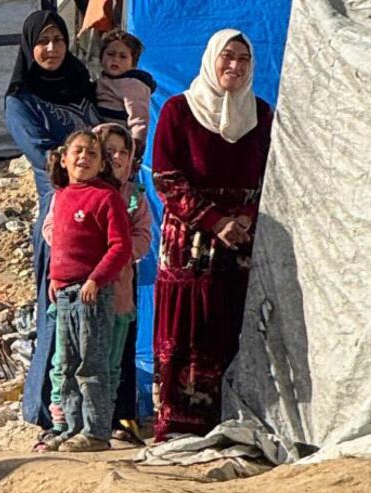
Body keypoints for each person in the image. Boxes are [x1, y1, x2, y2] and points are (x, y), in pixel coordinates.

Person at [151, 30, 273, 442]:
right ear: (210, 59)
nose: (234, 66)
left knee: (234, 327)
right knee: (188, 330)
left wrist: (243, 219)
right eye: (227, 57)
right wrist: (215, 220)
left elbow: (273, 176)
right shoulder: (178, 111)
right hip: (191, 242)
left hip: (242, 242)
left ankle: (235, 420)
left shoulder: (261, 114)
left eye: (243, 58)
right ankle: (181, 425)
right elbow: (167, 178)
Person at [5, 9, 101, 430]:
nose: (51, 49)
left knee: (97, 314)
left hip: (99, 211)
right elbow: (44, 156)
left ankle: (97, 412)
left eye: (58, 40)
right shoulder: (20, 99)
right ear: (30, 46)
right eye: (42, 42)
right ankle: (45, 410)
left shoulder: (82, 87)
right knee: (56, 311)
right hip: (59, 215)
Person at [40, 123, 151, 448]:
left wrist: (96, 278)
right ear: (63, 159)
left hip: (101, 293)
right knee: (67, 363)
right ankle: (69, 427)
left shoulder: (115, 198)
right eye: (79, 152)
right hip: (65, 292)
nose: (85, 159)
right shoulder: (61, 197)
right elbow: (58, 241)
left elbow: (124, 245)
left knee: (96, 364)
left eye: (94, 154)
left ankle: (96, 430)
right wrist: (57, 280)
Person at [94, 29, 157, 160]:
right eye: (110, 54)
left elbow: (139, 118)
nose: (115, 59)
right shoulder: (102, 81)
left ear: (133, 63)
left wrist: (135, 148)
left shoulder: (132, 85)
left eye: (123, 56)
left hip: (120, 144)